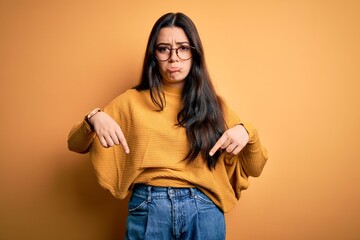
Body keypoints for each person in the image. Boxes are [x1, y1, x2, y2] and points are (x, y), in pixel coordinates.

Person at [68, 12, 268, 240]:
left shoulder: (214, 106)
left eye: (183, 48)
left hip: (204, 210)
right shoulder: (131, 101)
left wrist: (247, 132)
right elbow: (74, 143)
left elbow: (255, 168)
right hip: (150, 208)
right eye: (163, 49)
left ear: (195, 54)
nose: (174, 58)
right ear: (154, 55)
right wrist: (93, 118)